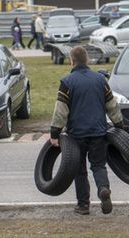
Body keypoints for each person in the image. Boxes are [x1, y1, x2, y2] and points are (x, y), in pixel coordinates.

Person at [50, 46, 123, 216]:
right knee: (98, 165)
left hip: (77, 135)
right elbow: (112, 105)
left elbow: (61, 111)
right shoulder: (100, 80)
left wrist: (54, 133)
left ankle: (83, 205)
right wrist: (120, 127)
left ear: (72, 61)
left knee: (79, 170)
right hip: (99, 132)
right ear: (87, 60)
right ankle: (103, 189)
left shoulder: (67, 82)